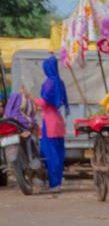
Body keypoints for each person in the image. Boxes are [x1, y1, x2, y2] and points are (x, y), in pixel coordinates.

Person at [35, 56, 69, 193]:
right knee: (58, 153)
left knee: (49, 153)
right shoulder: (59, 82)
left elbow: (45, 102)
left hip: (49, 122)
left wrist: (31, 99)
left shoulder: (49, 82)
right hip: (58, 121)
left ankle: (54, 184)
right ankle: (56, 182)